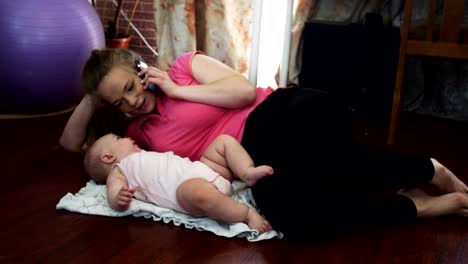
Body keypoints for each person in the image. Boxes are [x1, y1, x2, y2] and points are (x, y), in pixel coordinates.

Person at [61, 48, 468, 239]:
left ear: (141, 69)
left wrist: (177, 90)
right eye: (120, 102)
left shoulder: (185, 67)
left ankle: (429, 169)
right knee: (294, 217)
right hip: (257, 157)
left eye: (131, 86)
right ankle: (416, 205)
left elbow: (241, 92)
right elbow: (70, 143)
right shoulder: (140, 137)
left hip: (280, 110)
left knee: (324, 158)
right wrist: (96, 93)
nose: (132, 101)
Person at [84, 133, 274, 234]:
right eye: (119, 138)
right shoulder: (119, 169)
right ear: (108, 157)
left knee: (223, 141)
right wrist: (118, 197)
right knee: (197, 193)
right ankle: (246, 214)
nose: (126, 137)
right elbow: (113, 191)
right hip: (185, 190)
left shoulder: (142, 154)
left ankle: (246, 171)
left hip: (204, 168)